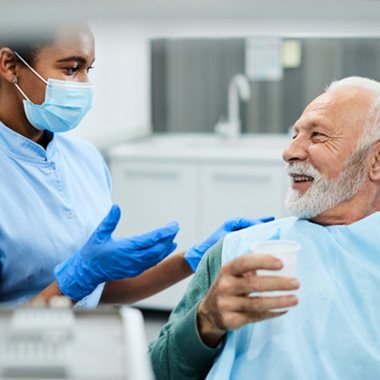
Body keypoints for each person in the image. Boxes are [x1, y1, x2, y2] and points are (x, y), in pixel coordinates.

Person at [0, 24, 273, 307]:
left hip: (84, 340)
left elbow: (100, 289)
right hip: (22, 351)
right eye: (70, 69)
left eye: (88, 70)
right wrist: (76, 279)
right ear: (10, 66)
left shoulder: (85, 159)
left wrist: (195, 257)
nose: (83, 84)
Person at [149, 76, 380, 380]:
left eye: (317, 136)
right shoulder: (236, 256)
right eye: (294, 134)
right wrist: (205, 320)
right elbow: (156, 371)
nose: (289, 152)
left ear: (376, 161)